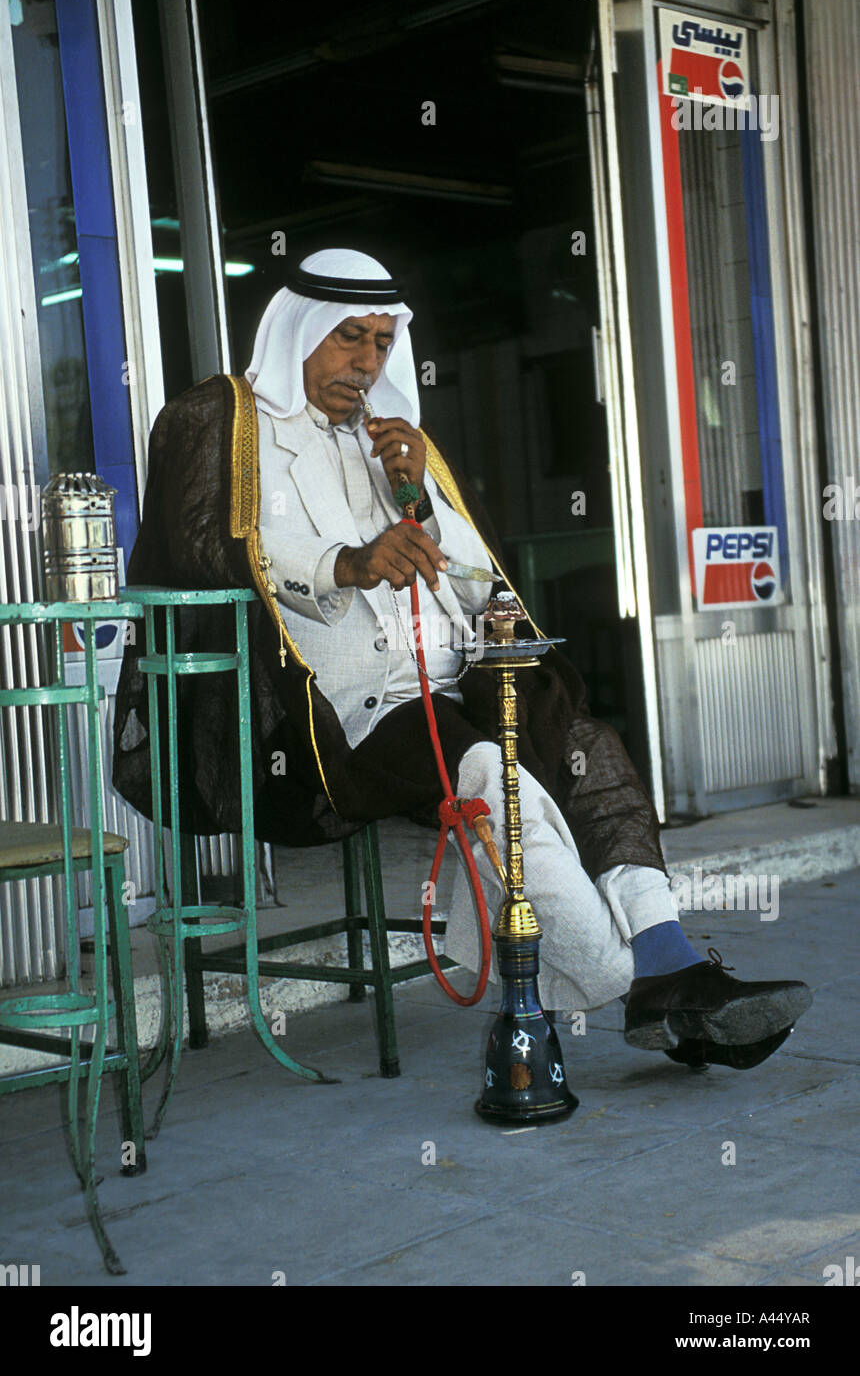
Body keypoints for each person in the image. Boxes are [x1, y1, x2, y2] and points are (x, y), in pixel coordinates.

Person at [113, 248, 811, 1072]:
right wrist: (350, 561)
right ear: (296, 331)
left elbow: (485, 586)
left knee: (588, 750)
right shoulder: (231, 426)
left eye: (380, 342)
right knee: (489, 772)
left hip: (458, 683)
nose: (366, 364)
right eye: (347, 340)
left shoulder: (399, 443)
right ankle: (645, 983)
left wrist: (423, 508)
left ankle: (666, 956)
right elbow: (203, 551)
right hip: (340, 715)